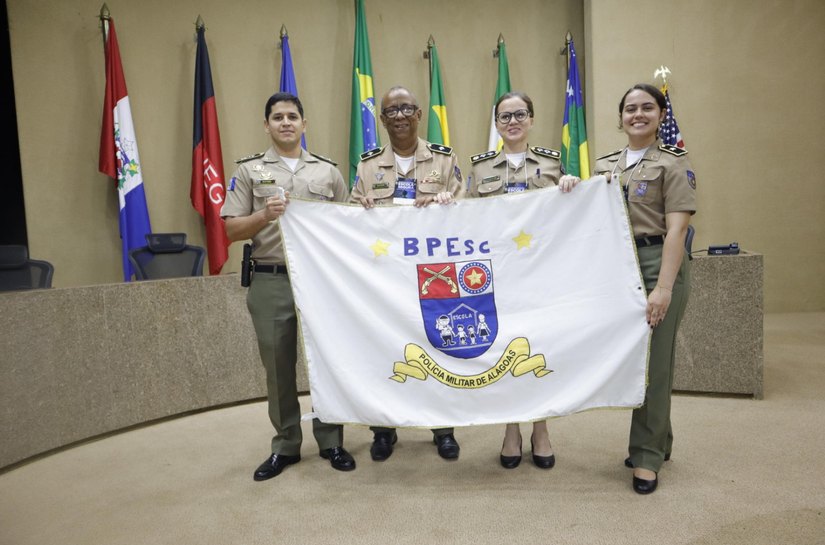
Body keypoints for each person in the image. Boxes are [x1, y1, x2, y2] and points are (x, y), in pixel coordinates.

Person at [221, 92, 356, 481]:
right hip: (271, 278)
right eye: (277, 117)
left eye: (292, 116)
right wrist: (264, 214)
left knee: (326, 363)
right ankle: (286, 445)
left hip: (320, 283)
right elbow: (230, 229)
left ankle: (331, 441)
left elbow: (347, 227)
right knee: (278, 367)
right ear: (267, 125)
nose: (285, 122)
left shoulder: (327, 173)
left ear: (304, 124)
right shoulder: (248, 171)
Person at [468, 91, 580, 470]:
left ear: (531, 119)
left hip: (541, 275)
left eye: (520, 115)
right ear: (496, 124)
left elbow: (567, 216)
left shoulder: (551, 164)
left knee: (539, 349)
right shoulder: (481, 169)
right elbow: (468, 220)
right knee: (505, 351)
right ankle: (511, 428)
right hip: (499, 276)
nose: (512, 122)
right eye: (504, 116)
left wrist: (570, 187)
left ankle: (541, 427)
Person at [593, 83, 696, 494]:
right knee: (644, 360)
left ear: (659, 115)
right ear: (620, 117)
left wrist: (664, 289)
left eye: (647, 108)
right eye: (631, 108)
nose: (638, 114)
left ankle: (647, 456)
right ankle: (662, 441)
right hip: (619, 267)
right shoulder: (606, 164)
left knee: (652, 367)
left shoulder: (673, 163)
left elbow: (677, 230)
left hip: (657, 264)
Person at [351, 85, 463, 461]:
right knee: (383, 349)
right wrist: (361, 205)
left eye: (406, 108)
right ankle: (383, 429)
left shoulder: (444, 161)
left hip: (434, 274)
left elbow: (469, 211)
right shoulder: (367, 165)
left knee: (438, 344)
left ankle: (442, 427)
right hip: (384, 278)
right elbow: (348, 222)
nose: (399, 116)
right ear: (382, 120)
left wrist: (448, 201)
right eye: (391, 111)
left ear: (419, 113)